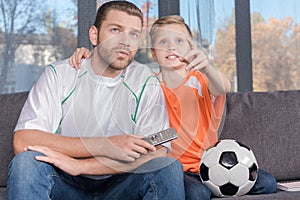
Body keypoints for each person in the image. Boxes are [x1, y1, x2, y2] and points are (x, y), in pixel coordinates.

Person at [70, 14, 277, 199]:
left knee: (268, 183)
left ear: (191, 48)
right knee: (197, 193)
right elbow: (114, 74)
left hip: (215, 162)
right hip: (178, 169)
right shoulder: (149, 84)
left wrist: (207, 67)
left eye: (179, 41)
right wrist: (91, 56)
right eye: (163, 42)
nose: (171, 47)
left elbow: (223, 86)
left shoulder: (201, 79)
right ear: (153, 52)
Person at [7, 1, 185, 200]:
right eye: (116, 29)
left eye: (133, 34)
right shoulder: (60, 74)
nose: (125, 41)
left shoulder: (145, 81)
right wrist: (105, 145)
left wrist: (81, 165)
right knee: (26, 163)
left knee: (167, 166)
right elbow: (23, 140)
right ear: (94, 35)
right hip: (65, 182)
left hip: (121, 182)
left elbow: (157, 153)